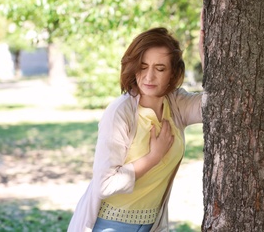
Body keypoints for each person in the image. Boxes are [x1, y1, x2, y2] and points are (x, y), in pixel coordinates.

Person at [68, 26, 204, 232]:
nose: (149, 77)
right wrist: (152, 157)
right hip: (110, 226)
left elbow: (216, 107)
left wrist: (208, 57)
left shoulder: (176, 104)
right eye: (143, 66)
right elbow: (104, 184)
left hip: (151, 226)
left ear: (173, 73)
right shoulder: (119, 113)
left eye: (160, 69)